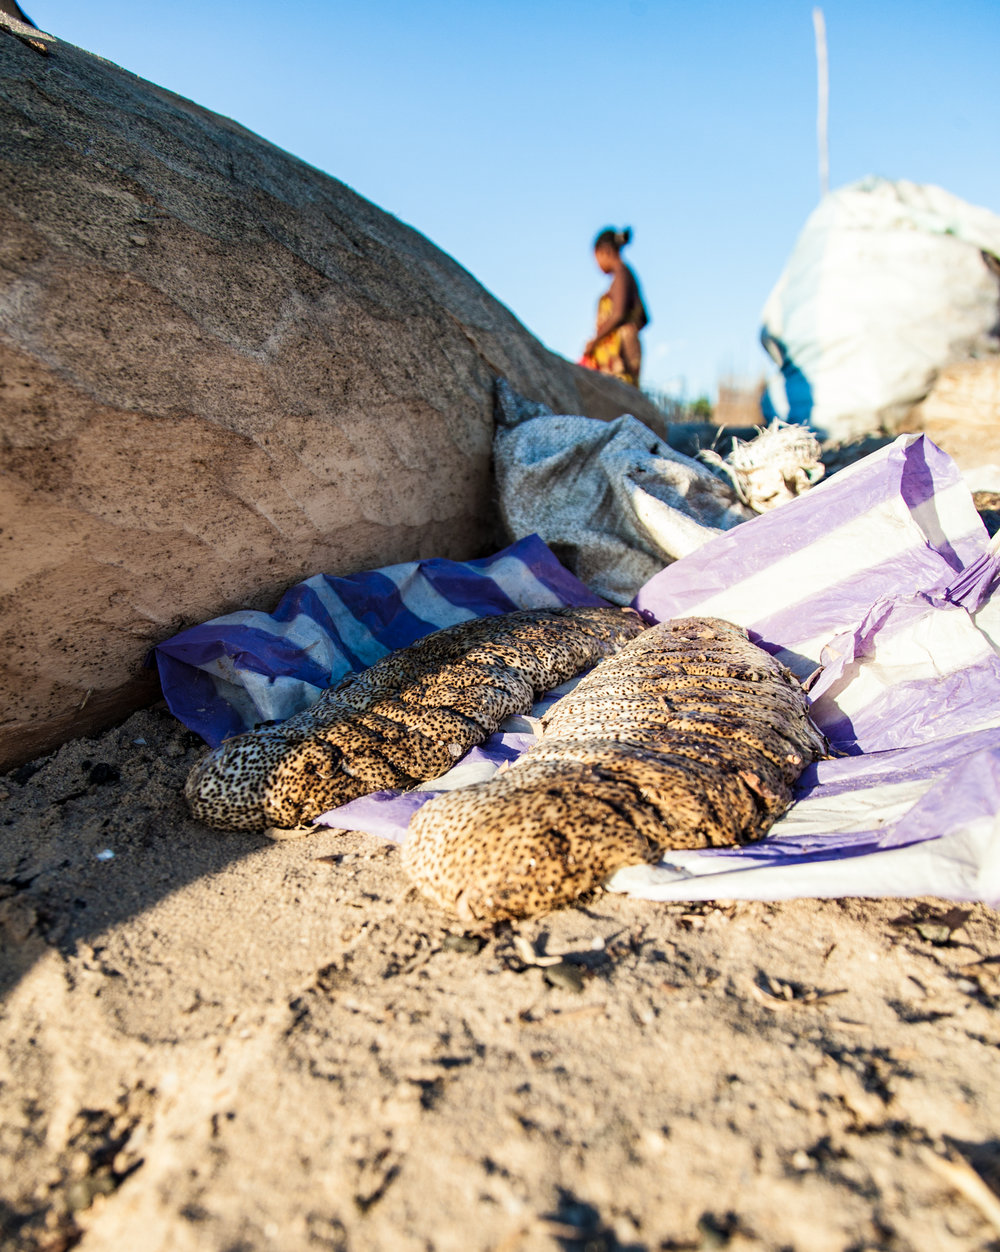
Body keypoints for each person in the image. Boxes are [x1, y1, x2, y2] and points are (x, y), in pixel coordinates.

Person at [580, 227, 649, 387]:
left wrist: (595, 341)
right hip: (629, 346)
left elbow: (618, 314)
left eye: (596, 257)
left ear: (605, 251)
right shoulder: (625, 275)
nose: (597, 264)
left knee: (619, 391)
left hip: (621, 351)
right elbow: (644, 318)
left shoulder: (621, 274)